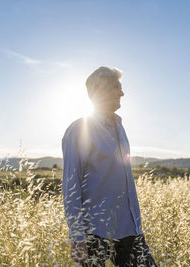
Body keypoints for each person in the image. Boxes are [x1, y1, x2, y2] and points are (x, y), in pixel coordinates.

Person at [62, 66, 157, 266]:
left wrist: (138, 226)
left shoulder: (120, 126)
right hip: (94, 233)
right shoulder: (79, 130)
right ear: (98, 90)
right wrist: (78, 237)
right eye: (116, 87)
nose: (122, 92)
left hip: (130, 230)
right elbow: (71, 187)